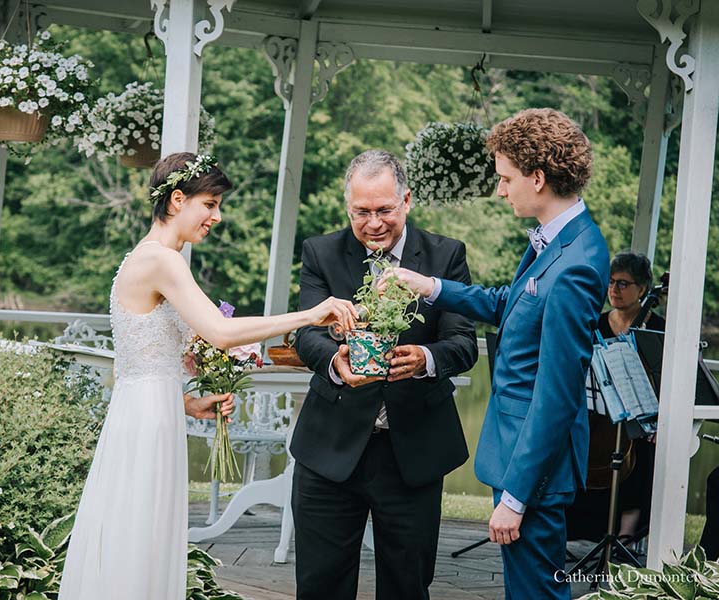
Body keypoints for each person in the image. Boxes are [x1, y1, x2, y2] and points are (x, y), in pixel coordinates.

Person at [59, 152, 357, 600]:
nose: (217, 216)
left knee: (141, 531)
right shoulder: (163, 260)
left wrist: (186, 402)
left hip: (144, 414)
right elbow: (218, 331)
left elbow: (131, 365)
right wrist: (310, 314)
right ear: (177, 200)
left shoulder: (145, 257)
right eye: (210, 203)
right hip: (147, 424)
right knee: (140, 534)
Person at [387, 109, 610, 599]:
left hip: (532, 470)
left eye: (506, 178)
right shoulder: (558, 242)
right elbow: (510, 305)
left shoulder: (577, 264)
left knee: (536, 594)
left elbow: (557, 395)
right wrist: (431, 286)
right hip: (517, 455)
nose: (501, 190)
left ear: (538, 177)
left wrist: (516, 496)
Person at [291, 149, 478, 600]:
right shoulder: (320, 251)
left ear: (407, 201)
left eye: (384, 210)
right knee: (320, 586)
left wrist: (425, 358)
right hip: (329, 449)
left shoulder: (445, 255)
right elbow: (306, 331)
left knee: (407, 587)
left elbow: (463, 342)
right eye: (361, 212)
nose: (374, 223)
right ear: (348, 207)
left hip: (411, 452)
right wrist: (334, 362)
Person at [567, 251, 665, 546]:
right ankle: (573, 526)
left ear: (643, 289)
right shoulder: (595, 324)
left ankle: (626, 533)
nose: (614, 289)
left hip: (638, 415)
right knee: (573, 442)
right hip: (597, 412)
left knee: (642, 448)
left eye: (623, 283)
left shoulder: (657, 328)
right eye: (611, 282)